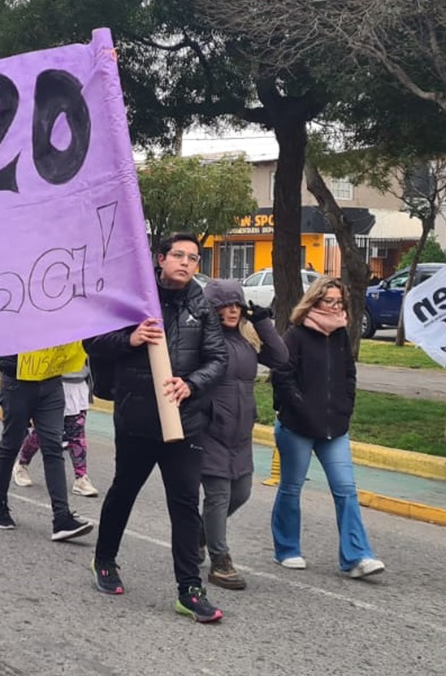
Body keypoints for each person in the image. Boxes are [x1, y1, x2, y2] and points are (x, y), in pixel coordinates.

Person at [84, 233, 227, 623]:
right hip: (137, 419)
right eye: (178, 255)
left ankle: (189, 590)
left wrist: (191, 384)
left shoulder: (202, 304)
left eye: (193, 258)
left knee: (184, 505)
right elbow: (93, 342)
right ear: (160, 259)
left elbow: (218, 359)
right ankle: (105, 560)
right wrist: (130, 338)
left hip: (185, 422)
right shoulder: (134, 299)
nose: (185, 263)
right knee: (123, 492)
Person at [268, 278, 387, 579]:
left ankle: (357, 556)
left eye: (339, 302)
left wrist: (346, 405)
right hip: (297, 427)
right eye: (329, 301)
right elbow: (282, 377)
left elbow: (349, 374)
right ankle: (287, 549)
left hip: (335, 427)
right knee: (291, 488)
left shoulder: (341, 336)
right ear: (314, 302)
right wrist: (301, 408)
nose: (335, 307)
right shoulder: (295, 335)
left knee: (345, 489)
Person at [197, 280, 288, 590]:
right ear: (212, 309)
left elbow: (279, 358)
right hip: (209, 429)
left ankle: (199, 533)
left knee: (242, 493)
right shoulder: (203, 339)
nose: (233, 310)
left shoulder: (247, 338)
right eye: (225, 305)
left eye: (237, 304)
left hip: (240, 431)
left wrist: (263, 322)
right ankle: (220, 561)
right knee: (218, 496)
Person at [0, 348, 96, 541]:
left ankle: (62, 518)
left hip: (51, 380)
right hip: (17, 380)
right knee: (11, 443)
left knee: (53, 447)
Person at [14, 362, 98, 497]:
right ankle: (22, 464)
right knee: (43, 433)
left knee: (77, 433)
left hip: (78, 382)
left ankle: (81, 477)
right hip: (54, 382)